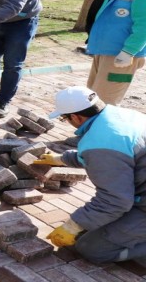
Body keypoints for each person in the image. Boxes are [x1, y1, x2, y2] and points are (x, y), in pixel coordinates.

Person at [37, 86, 146, 264]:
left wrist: (72, 226)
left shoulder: (102, 142)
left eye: (65, 118)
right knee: (90, 227)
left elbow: (115, 200)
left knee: (92, 249)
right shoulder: (118, 116)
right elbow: (113, 157)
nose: (67, 122)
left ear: (75, 117)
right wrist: (61, 159)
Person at [84, 0, 146, 105]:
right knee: (92, 99)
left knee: (105, 103)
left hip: (122, 55)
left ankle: (101, 130)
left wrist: (128, 52)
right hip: (104, 51)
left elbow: (144, 26)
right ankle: (90, 130)